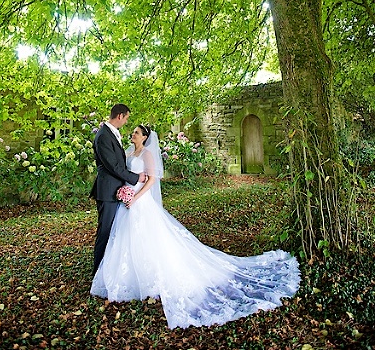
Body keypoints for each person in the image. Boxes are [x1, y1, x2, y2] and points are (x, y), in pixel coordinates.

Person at [91, 125, 300, 329]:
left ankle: (150, 277)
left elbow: (152, 180)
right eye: (133, 132)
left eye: (136, 132)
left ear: (145, 137)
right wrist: (124, 193)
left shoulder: (147, 155)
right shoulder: (128, 152)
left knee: (149, 238)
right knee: (125, 239)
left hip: (139, 202)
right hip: (126, 203)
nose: (133, 134)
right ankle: (129, 277)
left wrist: (135, 197)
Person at [89, 103, 148, 274]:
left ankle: (109, 269)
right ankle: (98, 272)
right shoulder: (103, 136)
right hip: (107, 191)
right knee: (105, 231)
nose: (126, 121)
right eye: (127, 117)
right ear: (120, 116)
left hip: (116, 190)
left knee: (115, 231)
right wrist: (135, 178)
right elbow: (113, 166)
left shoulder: (112, 134)